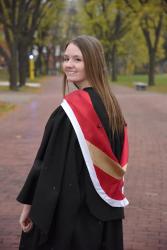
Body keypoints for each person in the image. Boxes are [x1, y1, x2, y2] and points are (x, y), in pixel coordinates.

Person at [17, 35, 129, 250]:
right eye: (66, 58)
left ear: (93, 63)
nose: (69, 65)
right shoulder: (111, 105)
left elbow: (49, 165)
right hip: (104, 214)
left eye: (78, 59)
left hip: (72, 216)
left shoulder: (70, 113)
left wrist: (30, 205)